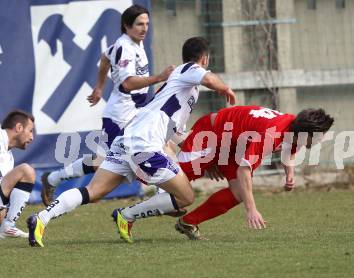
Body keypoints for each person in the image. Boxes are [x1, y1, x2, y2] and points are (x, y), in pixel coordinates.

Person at [27, 36, 236, 247]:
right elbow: (209, 79)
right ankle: (126, 215)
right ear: (204, 59)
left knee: (93, 191)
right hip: (144, 144)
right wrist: (225, 88)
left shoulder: (182, 88)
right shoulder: (188, 69)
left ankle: (41, 219)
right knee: (185, 197)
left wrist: (205, 164)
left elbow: (178, 135)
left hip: (129, 140)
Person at [128, 106, 333, 240]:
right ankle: (129, 195)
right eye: (319, 136)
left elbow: (290, 148)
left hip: (231, 145)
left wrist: (290, 175)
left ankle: (188, 223)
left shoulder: (293, 129)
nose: (320, 140)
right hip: (210, 133)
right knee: (172, 182)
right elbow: (245, 171)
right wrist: (251, 209)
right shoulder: (271, 135)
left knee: (237, 193)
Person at [40, 4, 175, 206]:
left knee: (160, 145)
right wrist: (159, 77)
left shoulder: (134, 43)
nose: (144, 28)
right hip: (120, 117)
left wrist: (99, 87)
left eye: (147, 24)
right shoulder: (124, 47)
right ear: (127, 26)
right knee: (101, 163)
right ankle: (53, 178)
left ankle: (163, 195)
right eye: (139, 24)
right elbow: (128, 83)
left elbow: (104, 57)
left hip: (135, 113)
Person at [0, 110, 35, 238]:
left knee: (27, 172)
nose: (32, 137)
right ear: (19, 127)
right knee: (26, 170)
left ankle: (7, 226)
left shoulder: (9, 158)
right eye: (30, 131)